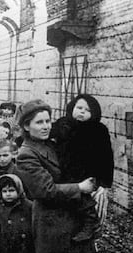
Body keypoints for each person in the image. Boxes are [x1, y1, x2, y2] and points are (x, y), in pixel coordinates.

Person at [15, 99, 97, 253]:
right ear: (26, 126)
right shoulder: (27, 154)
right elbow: (45, 190)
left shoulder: (51, 144)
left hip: (72, 216)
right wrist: (80, 187)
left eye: (48, 121)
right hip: (53, 223)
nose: (46, 126)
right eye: (39, 122)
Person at [51, 94, 114, 241]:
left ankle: (90, 223)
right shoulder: (63, 124)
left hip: (87, 172)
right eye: (79, 108)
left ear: (94, 114)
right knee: (67, 199)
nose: (82, 112)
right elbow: (48, 132)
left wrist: (104, 181)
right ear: (72, 108)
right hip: (64, 169)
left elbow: (106, 157)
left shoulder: (98, 130)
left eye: (87, 110)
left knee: (85, 200)